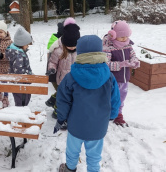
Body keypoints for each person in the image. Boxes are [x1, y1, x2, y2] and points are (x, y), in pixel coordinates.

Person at [54, 35, 121, 172]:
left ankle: (69, 168)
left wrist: (61, 117)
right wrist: (112, 115)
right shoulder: (109, 76)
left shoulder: (71, 77)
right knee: (94, 155)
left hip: (76, 125)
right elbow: (115, 99)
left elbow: (63, 100)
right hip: (98, 126)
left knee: (72, 151)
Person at [103, 20, 140, 127]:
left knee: (121, 98)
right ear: (114, 35)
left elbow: (133, 56)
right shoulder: (108, 47)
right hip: (112, 80)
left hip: (125, 79)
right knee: (111, 98)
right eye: (121, 36)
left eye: (126, 36)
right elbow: (106, 64)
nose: (124, 38)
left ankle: (118, 116)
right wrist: (121, 64)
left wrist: (135, 62)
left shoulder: (128, 45)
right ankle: (106, 114)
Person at [46, 18, 80, 120]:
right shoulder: (58, 50)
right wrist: (52, 69)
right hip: (62, 79)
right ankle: (58, 113)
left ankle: (59, 104)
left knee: (71, 97)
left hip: (75, 79)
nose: (72, 48)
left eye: (74, 45)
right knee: (63, 98)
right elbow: (52, 62)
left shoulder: (80, 50)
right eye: (69, 46)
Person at [5, 27, 33, 106]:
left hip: (21, 82)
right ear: (22, 44)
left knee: (23, 99)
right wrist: (29, 73)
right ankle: (21, 113)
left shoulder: (19, 52)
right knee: (22, 102)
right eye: (27, 44)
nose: (27, 46)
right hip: (20, 83)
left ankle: (21, 110)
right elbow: (18, 70)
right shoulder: (18, 55)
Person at [44, 20, 65, 110]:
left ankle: (52, 100)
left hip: (63, 70)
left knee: (62, 90)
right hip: (54, 70)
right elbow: (51, 49)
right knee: (61, 90)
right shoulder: (56, 40)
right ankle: (56, 107)